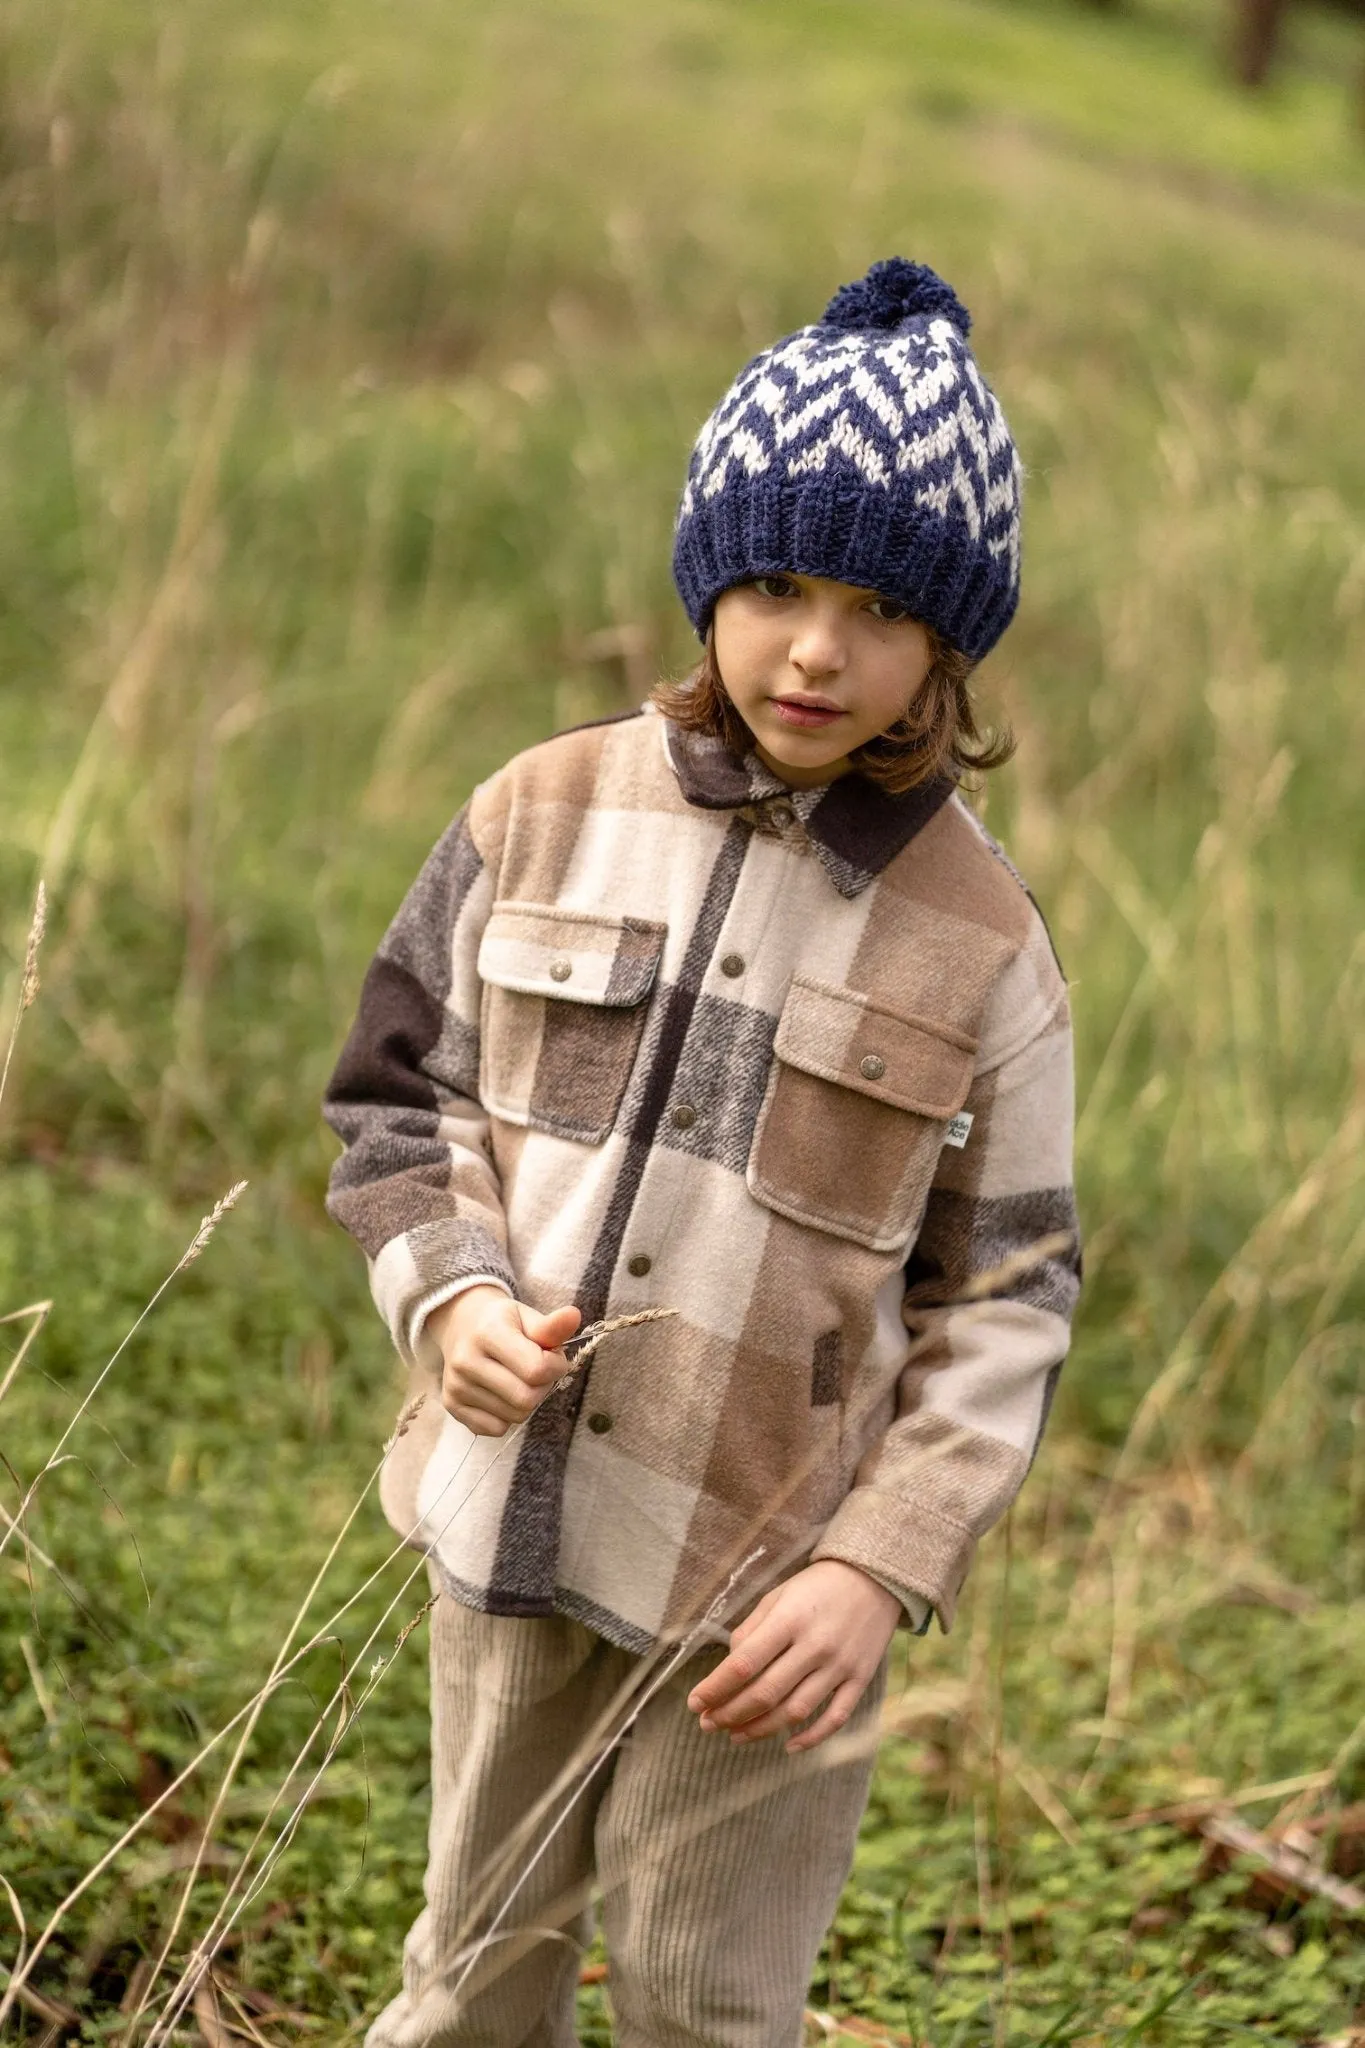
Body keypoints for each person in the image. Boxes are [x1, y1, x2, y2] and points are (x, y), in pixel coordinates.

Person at [323, 256, 1081, 2048]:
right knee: (474, 1962)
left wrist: (875, 1566)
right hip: (514, 1518)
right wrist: (452, 1302)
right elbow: (394, 1097)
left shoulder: (988, 947)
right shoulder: (538, 811)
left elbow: (1013, 1292)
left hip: (765, 1601)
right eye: (775, 585)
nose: (818, 649)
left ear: (949, 641)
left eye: (883, 609)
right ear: (706, 578)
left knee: (703, 2005)